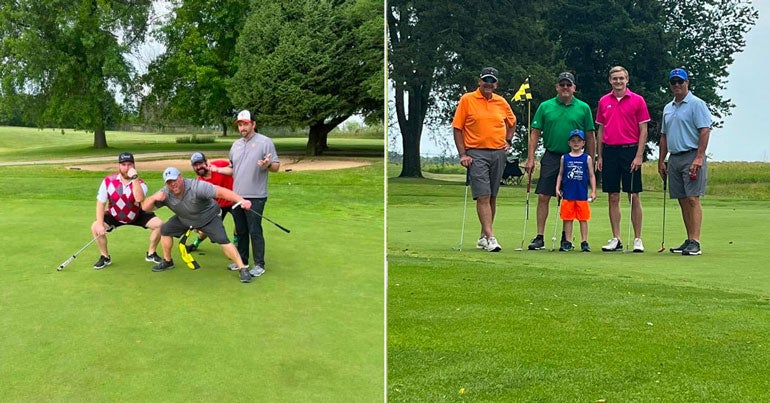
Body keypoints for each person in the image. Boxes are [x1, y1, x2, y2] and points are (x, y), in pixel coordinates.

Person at [140, 167, 255, 283]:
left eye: (174, 180)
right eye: (169, 182)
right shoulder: (165, 193)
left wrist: (241, 200)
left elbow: (221, 192)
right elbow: (145, 207)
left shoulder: (197, 187)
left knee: (222, 239)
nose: (172, 184)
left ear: (180, 177)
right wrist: (154, 197)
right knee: (165, 229)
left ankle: (242, 268)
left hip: (209, 217)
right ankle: (168, 261)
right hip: (185, 218)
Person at [525, 72, 596, 250]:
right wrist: (531, 157)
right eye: (562, 85)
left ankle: (567, 237)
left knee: (570, 199)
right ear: (557, 87)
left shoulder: (583, 107)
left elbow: (590, 135)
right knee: (544, 196)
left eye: (568, 85)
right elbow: (535, 132)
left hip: (576, 158)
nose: (565, 88)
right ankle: (540, 236)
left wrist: (592, 160)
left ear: (574, 88)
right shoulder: (545, 106)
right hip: (552, 155)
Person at [452, 67, 516, 252]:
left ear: (496, 84)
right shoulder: (467, 99)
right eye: (485, 80)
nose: (489, 84)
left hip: (498, 152)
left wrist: (508, 141)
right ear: (480, 81)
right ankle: (491, 237)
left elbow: (512, 122)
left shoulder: (501, 102)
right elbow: (457, 128)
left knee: (492, 196)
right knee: (483, 195)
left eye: (492, 81)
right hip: (476, 153)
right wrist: (463, 154)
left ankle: (482, 237)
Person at [215, 110, 280, 277]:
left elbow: (276, 167)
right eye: (240, 124)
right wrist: (217, 169)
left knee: (254, 230)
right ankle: (241, 261)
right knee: (241, 231)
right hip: (237, 196)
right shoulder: (236, 145)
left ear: (253, 124)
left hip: (256, 196)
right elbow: (232, 169)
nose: (242, 127)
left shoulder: (265, 142)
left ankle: (259, 264)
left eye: (245, 123)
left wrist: (267, 165)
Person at [595, 66, 651, 252]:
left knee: (633, 195)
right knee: (612, 196)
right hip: (610, 151)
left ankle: (637, 238)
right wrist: (599, 155)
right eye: (615, 79)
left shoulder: (637, 100)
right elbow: (601, 130)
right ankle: (616, 238)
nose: (618, 81)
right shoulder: (604, 101)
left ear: (627, 80)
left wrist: (638, 155)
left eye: (621, 78)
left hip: (630, 150)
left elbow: (643, 129)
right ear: (610, 81)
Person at [658, 67, 711, 256]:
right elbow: (664, 136)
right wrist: (661, 160)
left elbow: (704, 130)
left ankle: (695, 241)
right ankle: (689, 239)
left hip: (691, 154)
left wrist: (699, 157)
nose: (677, 85)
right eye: (674, 82)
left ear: (687, 83)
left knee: (692, 198)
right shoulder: (668, 107)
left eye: (680, 82)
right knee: (681, 199)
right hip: (674, 157)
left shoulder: (697, 104)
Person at [90, 152, 163, 269]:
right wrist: (100, 225)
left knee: (159, 224)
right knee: (95, 227)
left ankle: (151, 253)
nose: (127, 168)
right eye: (123, 164)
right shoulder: (108, 181)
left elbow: (139, 198)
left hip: (136, 213)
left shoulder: (141, 183)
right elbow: (100, 203)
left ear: (134, 166)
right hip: (114, 214)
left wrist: (134, 178)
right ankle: (105, 257)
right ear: (119, 166)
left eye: (129, 164)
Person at [185, 152, 238, 251]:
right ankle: (195, 244)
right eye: (195, 165)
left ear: (206, 162)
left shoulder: (220, 164)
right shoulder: (199, 183)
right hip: (217, 206)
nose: (198, 167)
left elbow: (235, 169)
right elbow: (199, 203)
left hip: (233, 200)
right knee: (207, 229)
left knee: (239, 223)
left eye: (200, 163)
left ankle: (236, 244)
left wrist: (219, 170)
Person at [555, 129, 597, 252]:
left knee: (583, 219)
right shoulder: (565, 157)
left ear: (583, 143)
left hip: (581, 194)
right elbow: (560, 174)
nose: (576, 143)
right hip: (568, 193)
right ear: (569, 143)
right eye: (573, 141)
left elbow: (591, 175)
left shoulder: (587, 158)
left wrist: (593, 191)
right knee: (568, 219)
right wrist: (557, 188)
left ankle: (584, 241)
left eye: (579, 140)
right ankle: (567, 241)